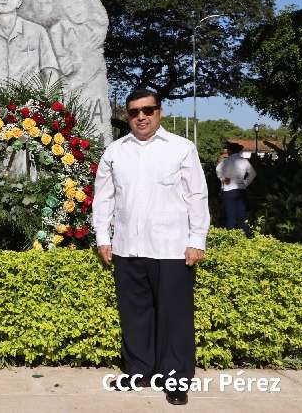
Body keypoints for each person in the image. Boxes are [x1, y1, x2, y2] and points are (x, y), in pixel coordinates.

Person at [92, 88, 209, 406]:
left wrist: (197, 240)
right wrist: (103, 237)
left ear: (160, 112)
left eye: (148, 110)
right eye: (134, 112)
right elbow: (104, 197)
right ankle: (139, 371)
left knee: (175, 317)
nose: (141, 116)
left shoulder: (182, 149)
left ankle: (176, 379)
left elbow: (197, 196)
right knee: (134, 314)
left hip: (171, 247)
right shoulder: (114, 152)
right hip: (128, 247)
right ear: (127, 115)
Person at [216, 142, 256, 235]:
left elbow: (218, 170)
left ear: (229, 151)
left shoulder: (225, 161)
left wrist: (223, 179)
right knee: (243, 216)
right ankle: (247, 238)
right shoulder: (244, 161)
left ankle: (231, 240)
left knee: (231, 217)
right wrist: (245, 184)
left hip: (228, 191)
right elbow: (253, 174)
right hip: (241, 190)